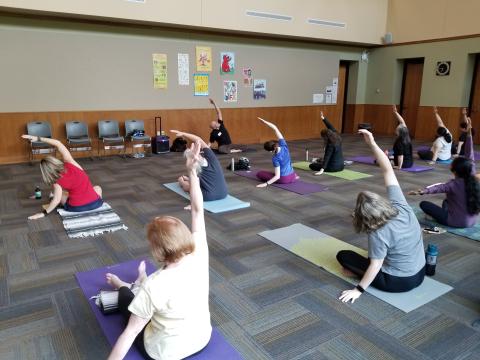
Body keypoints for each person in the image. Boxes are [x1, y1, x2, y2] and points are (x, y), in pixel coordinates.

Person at [106, 141, 212, 360]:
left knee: (126, 298)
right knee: (146, 295)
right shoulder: (199, 253)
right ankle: (136, 282)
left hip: (164, 354)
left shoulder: (155, 284)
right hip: (202, 339)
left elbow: (130, 333)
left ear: (157, 249)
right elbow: (197, 209)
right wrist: (192, 171)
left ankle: (123, 285)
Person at [336, 129, 425, 303]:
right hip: (420, 273)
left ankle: (357, 274)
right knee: (375, 255)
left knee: (344, 256)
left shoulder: (377, 232)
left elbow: (375, 265)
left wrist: (358, 290)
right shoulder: (401, 206)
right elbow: (387, 171)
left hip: (398, 283)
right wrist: (372, 143)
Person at [410, 117, 480, 228]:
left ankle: (438, 219)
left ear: (455, 171)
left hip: (455, 222)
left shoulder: (452, 185)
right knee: (446, 202)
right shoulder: (471, 174)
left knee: (424, 204)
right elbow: (469, 152)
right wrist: (469, 133)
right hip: (472, 221)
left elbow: (438, 187)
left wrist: (422, 191)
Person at [21, 135, 102, 220]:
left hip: (77, 208)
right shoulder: (70, 162)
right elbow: (58, 143)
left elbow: (56, 200)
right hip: (96, 204)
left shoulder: (56, 182)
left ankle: (52, 196)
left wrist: (43, 213)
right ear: (54, 160)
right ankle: (88, 203)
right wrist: (38, 138)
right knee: (97, 188)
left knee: (60, 196)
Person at [170, 130, 228, 202]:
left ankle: (181, 182)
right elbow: (199, 139)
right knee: (198, 180)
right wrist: (183, 134)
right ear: (199, 153)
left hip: (208, 196)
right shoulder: (212, 158)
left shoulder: (194, 166)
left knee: (189, 186)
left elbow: (194, 183)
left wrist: (182, 181)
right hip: (224, 193)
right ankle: (185, 180)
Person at [256, 117, 298, 187]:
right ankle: (294, 178)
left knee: (260, 173)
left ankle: (288, 179)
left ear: (271, 151)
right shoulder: (284, 145)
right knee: (275, 172)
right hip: (292, 175)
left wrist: (265, 184)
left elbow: (277, 177)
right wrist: (265, 122)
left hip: (284, 179)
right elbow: (275, 128)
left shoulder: (275, 158)